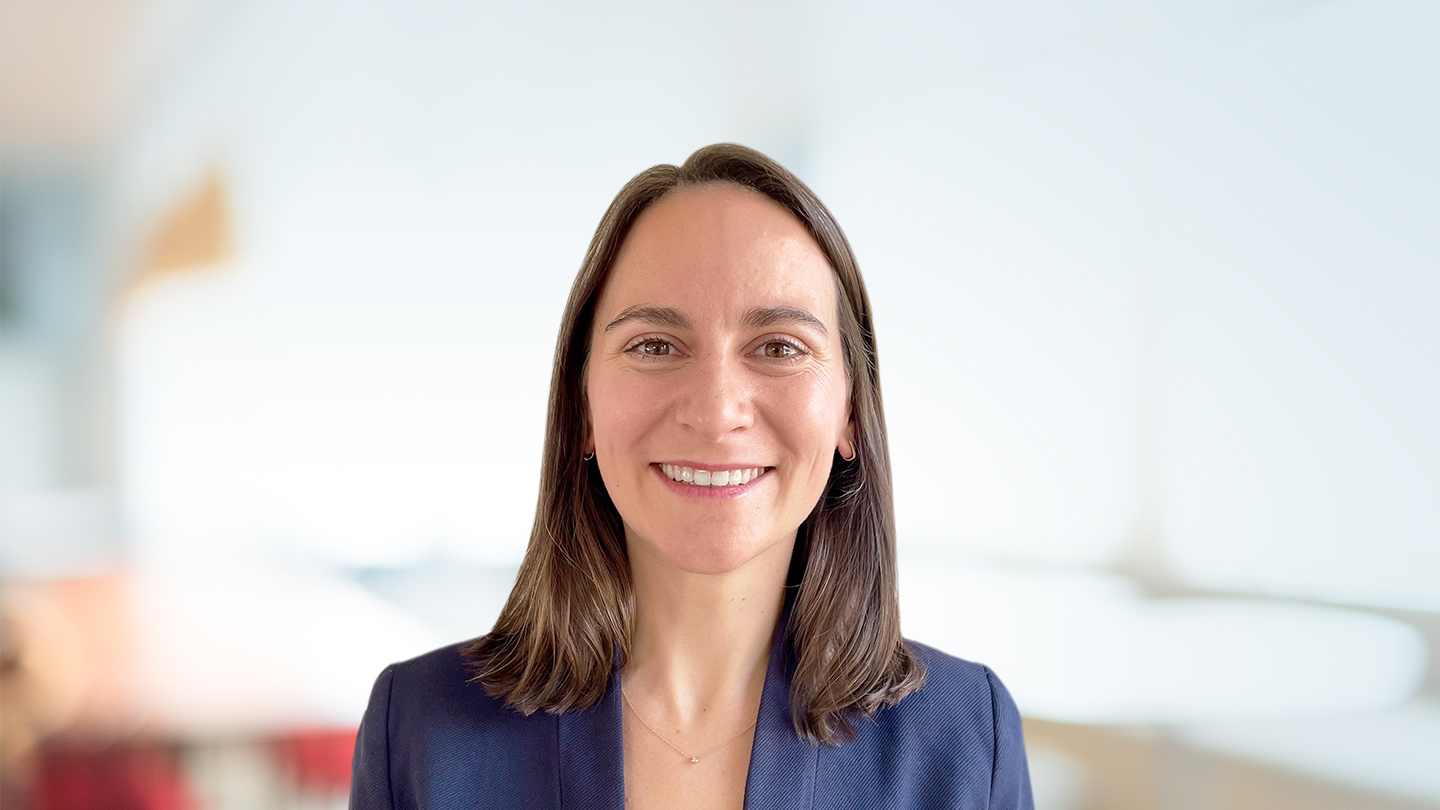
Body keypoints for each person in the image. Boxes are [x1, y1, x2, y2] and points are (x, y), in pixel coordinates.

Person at [349, 144, 1033, 809]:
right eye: (654, 345)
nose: (714, 412)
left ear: (849, 411)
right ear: (582, 405)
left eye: (779, 347)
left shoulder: (967, 739)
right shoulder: (418, 732)